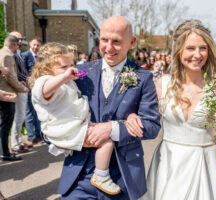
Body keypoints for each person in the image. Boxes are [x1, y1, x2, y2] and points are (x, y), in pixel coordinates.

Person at [57, 16, 160, 200]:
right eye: (104, 40)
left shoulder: (144, 78)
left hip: (122, 177)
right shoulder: (81, 73)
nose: (109, 47)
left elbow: (151, 126)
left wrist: (112, 128)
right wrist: (54, 137)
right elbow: (53, 113)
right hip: (80, 177)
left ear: (132, 42)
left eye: (117, 42)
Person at [138, 19, 216, 200]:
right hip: (169, 164)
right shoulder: (163, 84)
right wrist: (132, 116)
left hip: (207, 164)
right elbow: (146, 119)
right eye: (190, 48)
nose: (197, 54)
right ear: (178, 51)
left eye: (203, 48)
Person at [29, 42, 133, 195]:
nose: (70, 69)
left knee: (103, 137)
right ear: (46, 69)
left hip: (72, 126)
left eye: (71, 64)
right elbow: (42, 92)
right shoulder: (45, 82)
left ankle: (99, 174)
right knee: (105, 140)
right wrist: (64, 77)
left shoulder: (68, 82)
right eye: (64, 67)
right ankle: (101, 175)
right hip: (65, 129)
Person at [0, 35, 28, 161]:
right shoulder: (7, 55)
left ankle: (3, 151)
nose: (18, 47)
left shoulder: (2, 52)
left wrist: (19, 83)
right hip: (6, 94)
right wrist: (23, 89)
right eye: (18, 45)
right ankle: (4, 153)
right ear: (14, 45)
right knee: (5, 124)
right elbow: (9, 76)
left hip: (5, 92)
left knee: (3, 124)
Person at [9, 31, 30, 153]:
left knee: (20, 116)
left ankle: (18, 141)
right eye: (17, 39)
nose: (20, 41)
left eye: (21, 39)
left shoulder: (18, 53)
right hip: (17, 88)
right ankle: (15, 145)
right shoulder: (10, 54)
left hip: (23, 87)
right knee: (18, 116)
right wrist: (24, 81)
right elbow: (13, 73)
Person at [22, 37, 42, 146]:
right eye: (34, 44)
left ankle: (39, 134)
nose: (36, 47)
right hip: (29, 88)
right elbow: (23, 73)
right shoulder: (25, 56)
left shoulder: (41, 57)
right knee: (29, 112)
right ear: (30, 44)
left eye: (38, 45)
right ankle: (31, 136)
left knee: (38, 111)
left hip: (38, 88)